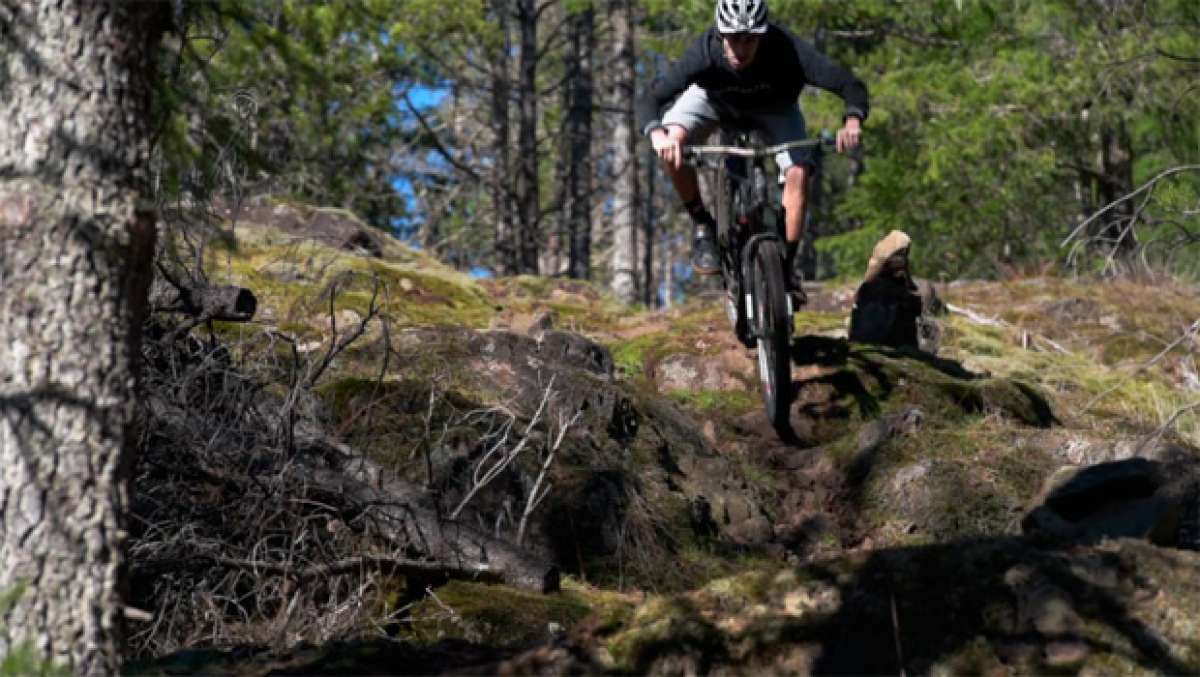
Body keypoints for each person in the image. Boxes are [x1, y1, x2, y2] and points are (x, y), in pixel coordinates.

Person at [636, 0, 869, 304]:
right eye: (733, 38)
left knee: (799, 171)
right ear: (721, 35)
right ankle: (702, 224)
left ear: (763, 35)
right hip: (713, 101)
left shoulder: (787, 50)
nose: (741, 48)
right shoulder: (704, 52)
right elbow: (651, 98)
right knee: (673, 141)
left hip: (776, 108)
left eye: (750, 39)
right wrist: (658, 135)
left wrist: (852, 121)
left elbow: (847, 83)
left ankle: (785, 268)